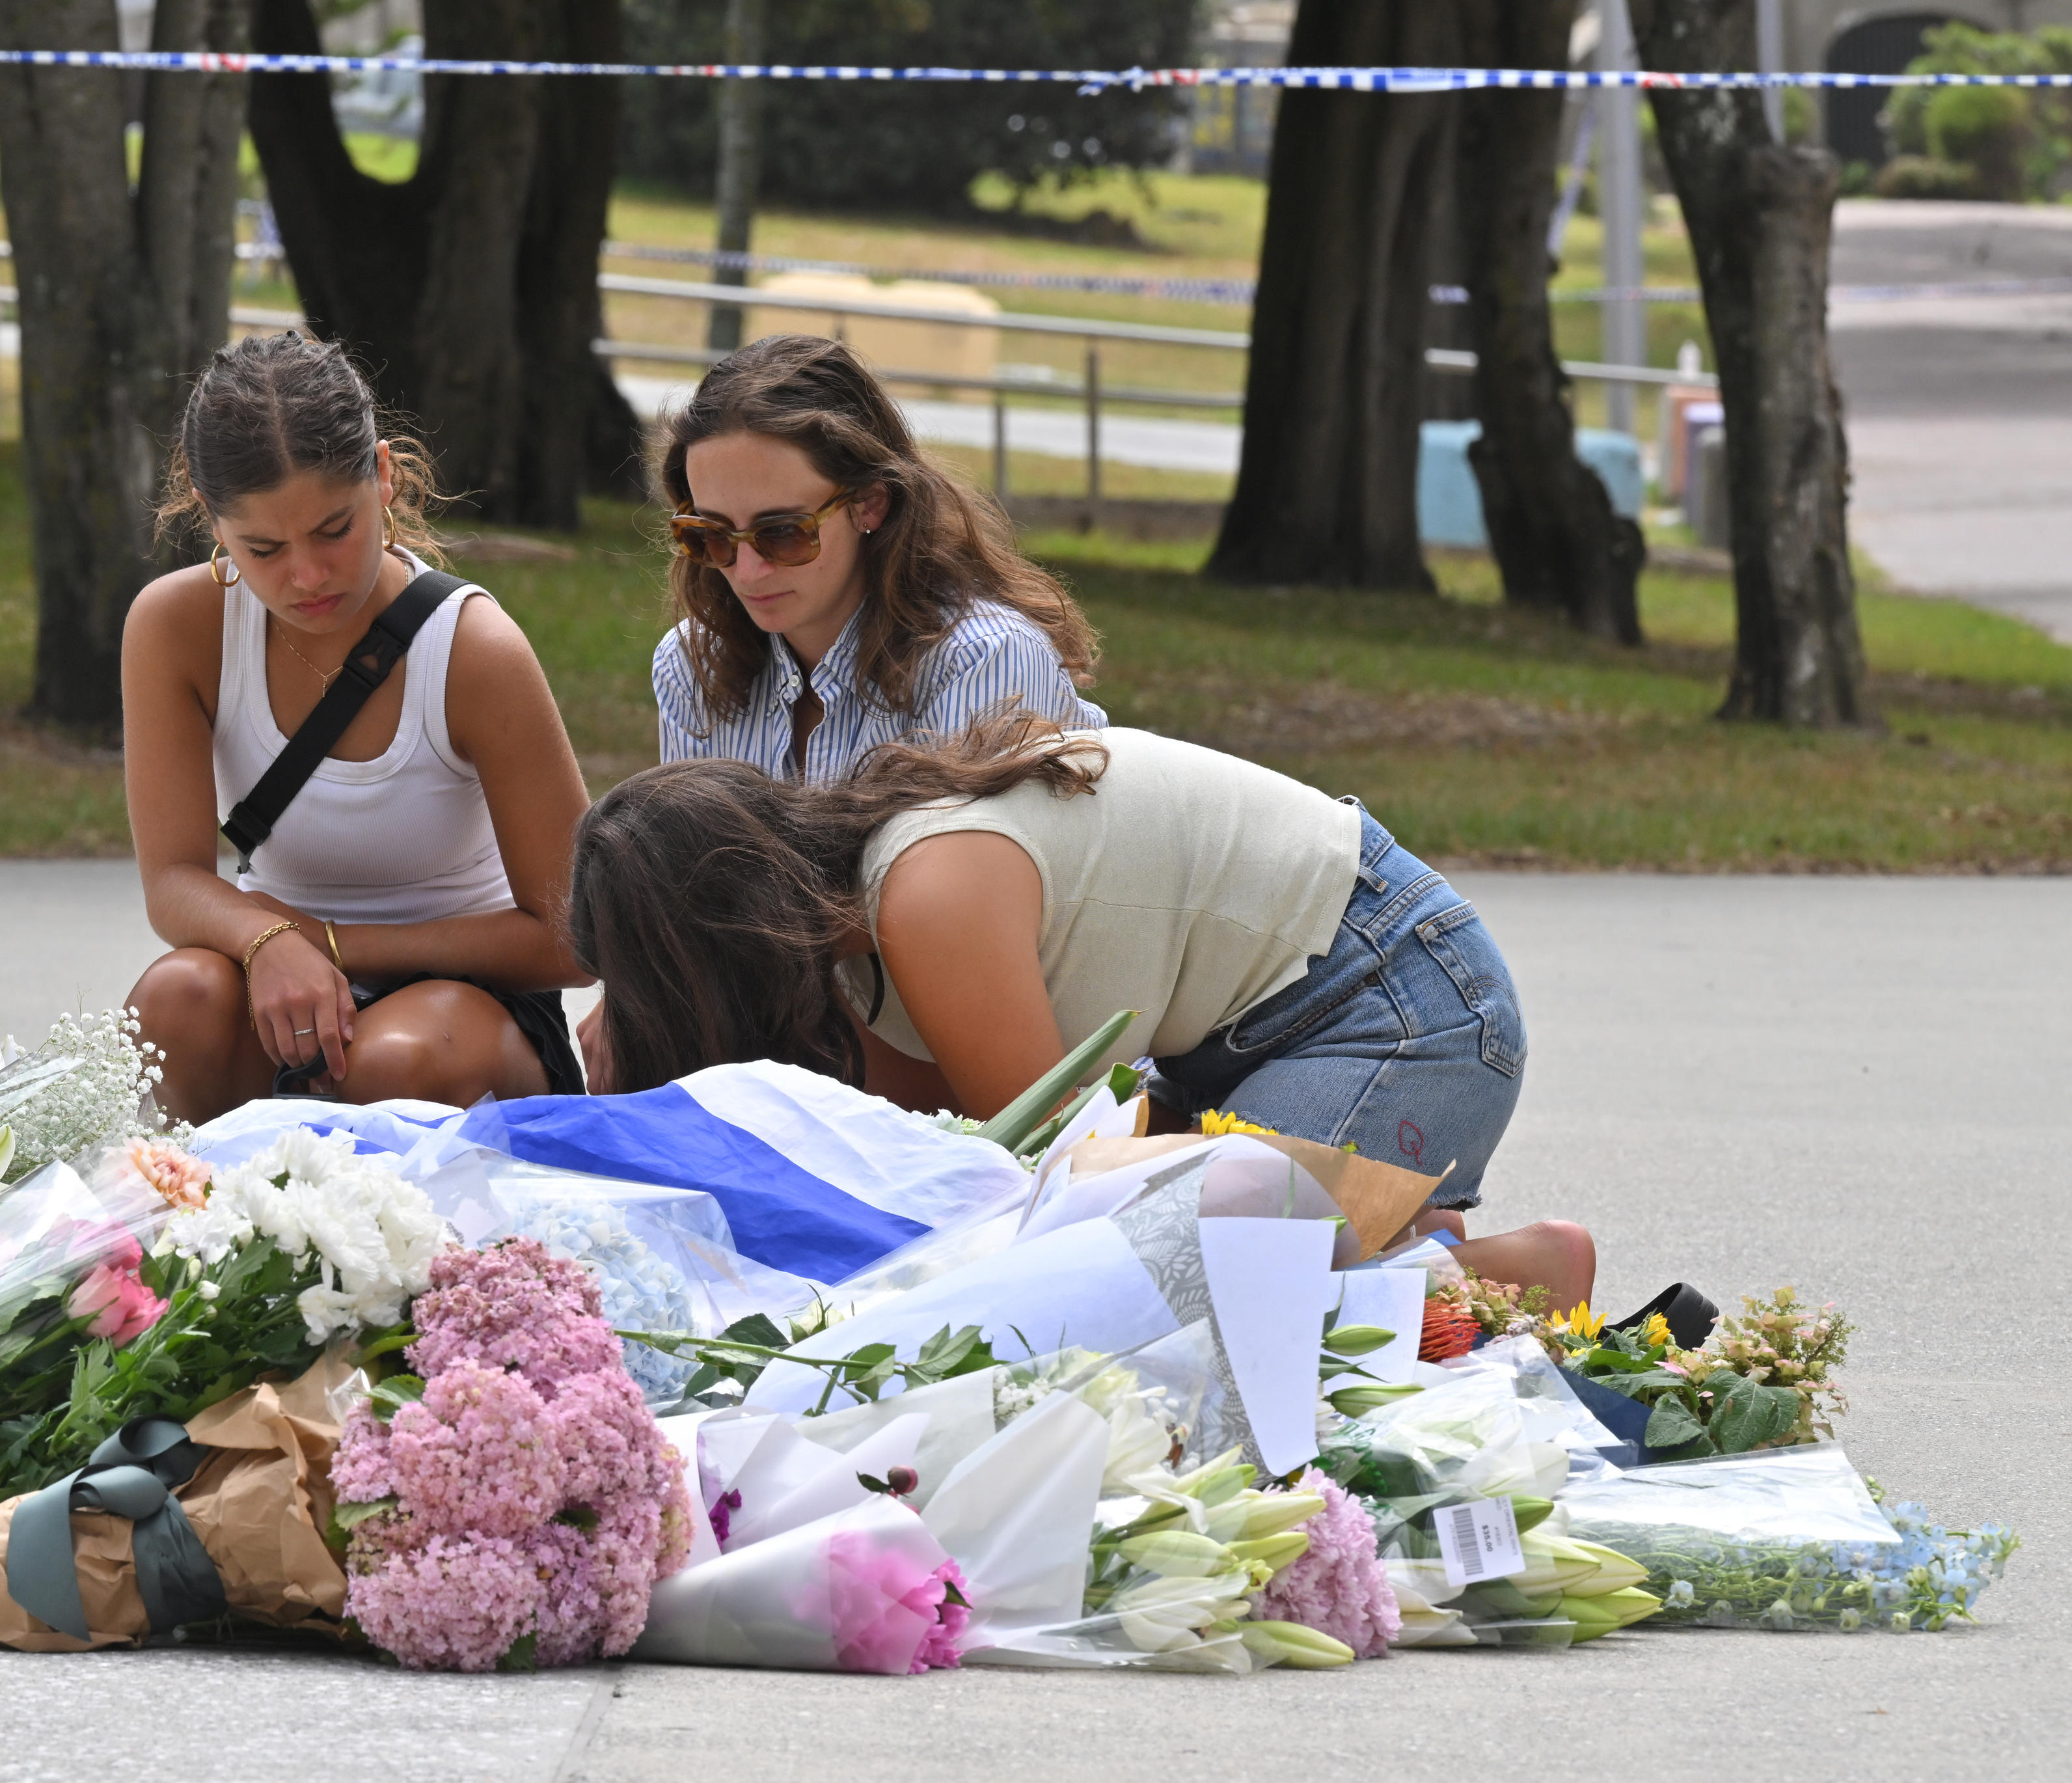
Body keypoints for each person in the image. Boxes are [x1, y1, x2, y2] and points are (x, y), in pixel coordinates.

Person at [562, 715, 1595, 1300]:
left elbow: (1053, 1172)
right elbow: (921, 1133)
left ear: (724, 954)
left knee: (1194, 1295)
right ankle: (1400, 1244)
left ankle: (1496, 1270)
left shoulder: (928, 896)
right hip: (1266, 1035)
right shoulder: (868, 925)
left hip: (1401, 1005)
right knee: (1195, 1277)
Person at [121, 333, 592, 1126]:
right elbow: (171, 881)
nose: (306, 576)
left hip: (470, 1005)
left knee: (387, 1064)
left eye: (335, 530)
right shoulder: (176, 625)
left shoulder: (471, 650)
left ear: (382, 473)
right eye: (264, 548)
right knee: (172, 1004)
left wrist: (321, 943)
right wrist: (268, 942)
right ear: (210, 518)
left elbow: (576, 937)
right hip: (281, 974)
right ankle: (207, 1239)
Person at [652, 332, 1105, 783]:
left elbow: (963, 857)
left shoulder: (987, 660)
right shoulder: (693, 666)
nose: (747, 570)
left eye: (784, 533)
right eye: (711, 535)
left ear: (870, 504)